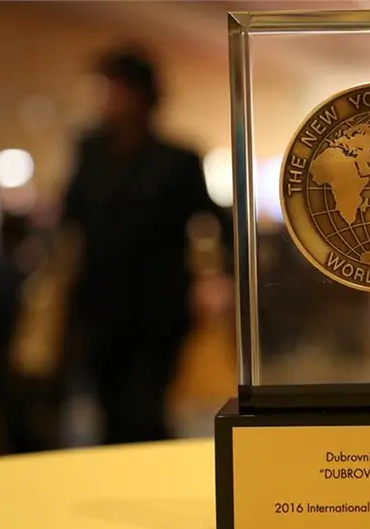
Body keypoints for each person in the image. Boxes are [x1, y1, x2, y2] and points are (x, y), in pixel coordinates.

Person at [60, 46, 232, 444]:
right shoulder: (88, 150)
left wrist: (218, 277)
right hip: (97, 300)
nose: (105, 98)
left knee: (145, 405)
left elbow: (214, 220)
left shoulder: (177, 158)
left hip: (159, 302)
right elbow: (71, 219)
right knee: (105, 404)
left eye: (114, 88)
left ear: (141, 95)